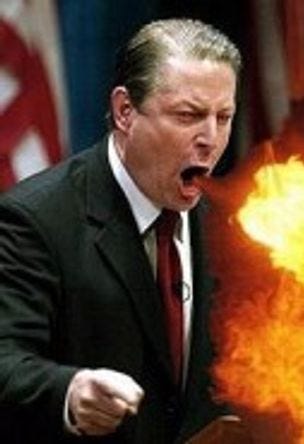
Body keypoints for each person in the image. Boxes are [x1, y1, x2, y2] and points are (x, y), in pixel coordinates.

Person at [0, 18, 245, 443]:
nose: (210, 138)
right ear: (125, 112)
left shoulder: (231, 226)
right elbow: (5, 357)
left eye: (223, 117)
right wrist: (69, 392)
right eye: (188, 115)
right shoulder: (35, 219)